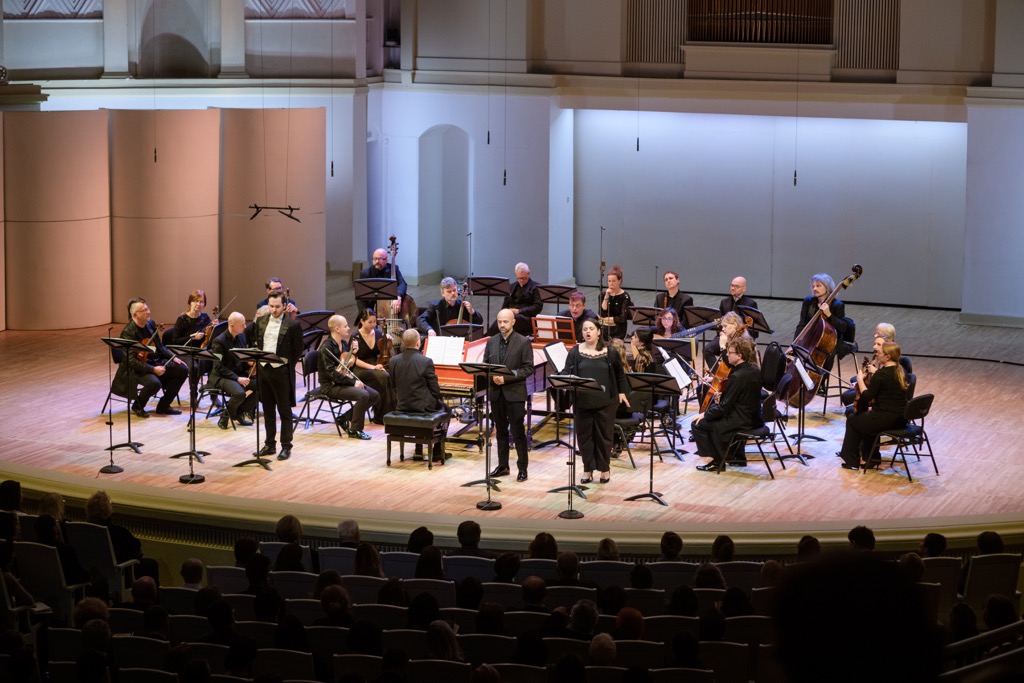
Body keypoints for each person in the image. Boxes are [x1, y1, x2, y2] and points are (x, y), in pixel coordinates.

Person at [564, 319, 629, 484]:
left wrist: (621, 392)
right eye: (585, 329)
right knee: (584, 437)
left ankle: (604, 469)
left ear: (598, 331)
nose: (587, 332)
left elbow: (619, 373)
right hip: (582, 401)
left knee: (604, 436)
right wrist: (562, 379)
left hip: (606, 401)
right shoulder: (575, 352)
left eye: (591, 329)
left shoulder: (610, 352)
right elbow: (566, 371)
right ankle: (588, 469)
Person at [692, 337, 763, 472]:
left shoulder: (737, 376)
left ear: (739, 356)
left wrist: (704, 414)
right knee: (712, 416)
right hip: (755, 418)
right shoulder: (754, 370)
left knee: (698, 424)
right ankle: (736, 457)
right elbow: (742, 397)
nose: (727, 355)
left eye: (730, 353)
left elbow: (724, 408)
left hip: (741, 420)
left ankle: (718, 461)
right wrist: (723, 397)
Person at [112, 297, 189, 418]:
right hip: (137, 368)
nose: (148, 312)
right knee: (154, 383)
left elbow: (160, 346)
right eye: (144, 310)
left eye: (147, 308)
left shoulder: (150, 324)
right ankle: (138, 405)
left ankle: (164, 405)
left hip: (154, 361)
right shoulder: (128, 333)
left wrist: (173, 357)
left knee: (182, 369)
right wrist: (153, 370)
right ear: (135, 314)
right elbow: (131, 361)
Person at [838, 341, 909, 470]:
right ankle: (871, 458)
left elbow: (867, 397)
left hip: (885, 420)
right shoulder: (900, 371)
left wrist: (860, 380)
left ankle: (852, 461)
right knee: (866, 419)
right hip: (901, 419)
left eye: (879, 353)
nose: (877, 355)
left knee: (852, 419)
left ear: (887, 356)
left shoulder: (882, 374)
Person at [252, 290, 304, 460]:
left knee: (284, 410)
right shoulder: (261, 321)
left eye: (277, 306)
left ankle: (286, 446)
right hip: (264, 370)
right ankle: (269, 444)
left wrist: (286, 364)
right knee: (268, 410)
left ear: (284, 306)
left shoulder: (293, 325)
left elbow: (298, 349)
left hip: (281, 371)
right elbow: (258, 342)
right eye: (271, 306)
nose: (274, 310)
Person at [484, 309, 535, 482]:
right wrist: (492, 377)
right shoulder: (491, 341)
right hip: (496, 394)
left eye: (505, 321)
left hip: (514, 394)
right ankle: (503, 465)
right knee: (500, 432)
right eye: (499, 322)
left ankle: (522, 468)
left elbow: (528, 368)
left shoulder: (523, 342)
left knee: (518, 432)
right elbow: (486, 365)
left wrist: (505, 378)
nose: (502, 325)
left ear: (513, 322)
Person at [388, 328, 448, 461]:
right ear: (418, 342)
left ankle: (419, 449)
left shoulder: (393, 361)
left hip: (402, 405)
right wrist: (438, 399)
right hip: (422, 406)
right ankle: (437, 451)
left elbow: (393, 386)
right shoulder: (426, 361)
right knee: (446, 410)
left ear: (403, 342)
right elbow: (435, 389)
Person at [319, 315, 380, 440]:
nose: (348, 328)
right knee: (363, 395)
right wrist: (353, 382)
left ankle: (344, 418)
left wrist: (353, 353)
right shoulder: (326, 348)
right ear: (337, 329)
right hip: (330, 386)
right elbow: (332, 374)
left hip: (342, 382)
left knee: (374, 395)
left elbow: (347, 368)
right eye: (345, 326)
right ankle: (355, 430)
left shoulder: (343, 343)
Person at [793, 272, 850, 376]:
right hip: (811, 337)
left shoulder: (837, 305)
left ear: (827, 288)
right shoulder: (808, 302)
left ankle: (822, 379)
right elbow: (802, 324)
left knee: (828, 352)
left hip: (831, 340)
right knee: (799, 351)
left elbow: (843, 327)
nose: (814, 288)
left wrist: (829, 315)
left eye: (818, 286)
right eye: (813, 286)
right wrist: (795, 343)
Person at [209, 312, 258, 429]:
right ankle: (225, 417)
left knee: (262, 386)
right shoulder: (219, 341)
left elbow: (241, 357)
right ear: (232, 326)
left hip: (237, 374)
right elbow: (218, 366)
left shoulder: (241, 336)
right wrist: (237, 378)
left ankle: (238, 413)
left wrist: (250, 366)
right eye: (242, 324)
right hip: (221, 376)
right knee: (239, 393)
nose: (245, 326)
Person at [705, 276, 759, 362]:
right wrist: (722, 334)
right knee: (707, 350)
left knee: (735, 353)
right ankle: (717, 371)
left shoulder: (750, 304)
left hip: (741, 338)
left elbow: (753, 330)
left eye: (737, 286)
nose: (733, 288)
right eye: (732, 285)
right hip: (726, 335)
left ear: (744, 288)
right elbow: (720, 322)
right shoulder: (724, 302)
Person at [487, 262, 542, 337]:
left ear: (528, 273)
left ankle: (487, 337)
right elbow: (505, 306)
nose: (521, 281)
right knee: (501, 318)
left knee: (511, 318)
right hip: (512, 316)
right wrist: (505, 312)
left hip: (527, 318)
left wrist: (519, 311)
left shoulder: (536, 287)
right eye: (518, 278)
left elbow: (537, 307)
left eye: (523, 278)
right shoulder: (511, 287)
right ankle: (488, 337)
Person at [417, 277, 482, 336]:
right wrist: (429, 329)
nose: (453, 293)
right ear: (442, 293)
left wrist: (472, 312)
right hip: (441, 339)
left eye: (454, 290)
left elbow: (479, 322)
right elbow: (420, 319)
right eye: (449, 291)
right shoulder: (435, 306)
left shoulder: (463, 306)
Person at [358, 246, 409, 317]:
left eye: (380, 259)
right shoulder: (366, 273)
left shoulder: (394, 269)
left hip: (391, 306)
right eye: (375, 259)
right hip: (372, 308)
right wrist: (365, 314)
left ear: (386, 260)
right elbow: (360, 298)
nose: (377, 261)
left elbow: (402, 283)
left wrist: (398, 296)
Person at [702, 310, 753, 375]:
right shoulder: (731, 337)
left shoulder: (742, 340)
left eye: (725, 326)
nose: (722, 329)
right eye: (722, 326)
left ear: (735, 324)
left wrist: (723, 346)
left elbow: (730, 364)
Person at [599, 264, 632, 340]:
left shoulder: (625, 296)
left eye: (613, 281)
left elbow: (622, 318)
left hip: (618, 329)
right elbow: (602, 314)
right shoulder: (603, 295)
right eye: (609, 281)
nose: (611, 283)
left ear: (619, 281)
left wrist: (607, 319)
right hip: (605, 328)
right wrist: (606, 296)